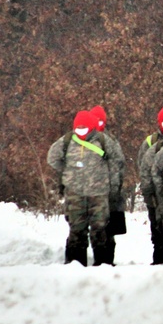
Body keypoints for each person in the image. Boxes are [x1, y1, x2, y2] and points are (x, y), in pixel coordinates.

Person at [47, 110, 117, 266]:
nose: (81, 130)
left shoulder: (103, 141)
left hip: (98, 193)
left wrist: (107, 180)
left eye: (84, 127)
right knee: (77, 229)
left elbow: (116, 161)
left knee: (100, 229)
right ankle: (74, 263)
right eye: (78, 127)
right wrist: (68, 173)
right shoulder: (66, 141)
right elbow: (52, 158)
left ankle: (103, 262)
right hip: (74, 193)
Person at [138, 106, 163, 263]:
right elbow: (143, 166)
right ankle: (159, 260)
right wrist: (149, 193)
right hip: (156, 194)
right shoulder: (151, 142)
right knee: (157, 228)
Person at [91, 106, 126, 263]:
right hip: (90, 192)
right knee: (95, 230)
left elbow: (119, 164)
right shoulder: (83, 141)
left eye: (100, 120)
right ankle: (98, 260)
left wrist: (116, 189)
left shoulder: (110, 140)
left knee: (108, 231)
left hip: (109, 192)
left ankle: (107, 261)